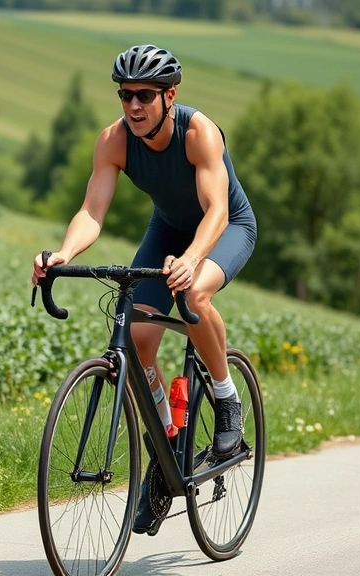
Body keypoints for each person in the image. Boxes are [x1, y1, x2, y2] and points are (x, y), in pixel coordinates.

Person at [30, 44, 257, 536]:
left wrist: (193, 259)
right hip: (169, 230)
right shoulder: (113, 140)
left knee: (194, 295)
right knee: (137, 341)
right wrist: (63, 254)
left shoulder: (199, 132)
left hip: (227, 227)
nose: (133, 105)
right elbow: (92, 211)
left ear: (169, 95)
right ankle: (167, 448)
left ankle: (226, 401)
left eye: (144, 96)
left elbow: (216, 211)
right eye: (125, 95)